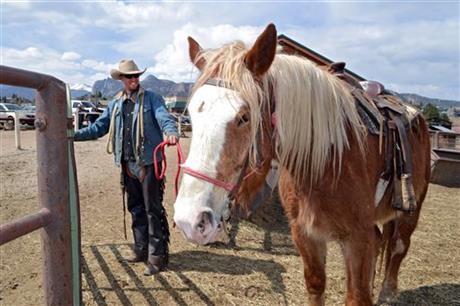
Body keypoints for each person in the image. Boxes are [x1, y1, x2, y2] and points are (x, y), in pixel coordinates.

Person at [74, 59, 179, 276]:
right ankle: (140, 249)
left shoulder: (152, 99)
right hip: (127, 164)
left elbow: (164, 118)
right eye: (129, 76)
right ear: (121, 79)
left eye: (136, 76)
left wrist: (171, 131)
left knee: (153, 210)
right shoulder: (115, 104)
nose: (134, 79)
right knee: (136, 208)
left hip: (149, 162)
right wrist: (73, 136)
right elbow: (99, 127)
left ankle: (157, 257)